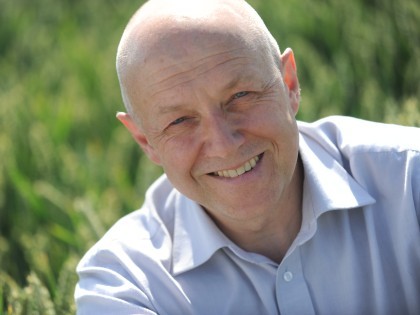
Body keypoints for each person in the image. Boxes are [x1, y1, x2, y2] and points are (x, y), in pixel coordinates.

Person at [75, 0, 420, 314]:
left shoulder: (412, 179)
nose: (224, 144)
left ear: (289, 84)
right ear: (144, 140)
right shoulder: (125, 286)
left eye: (241, 95)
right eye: (179, 121)